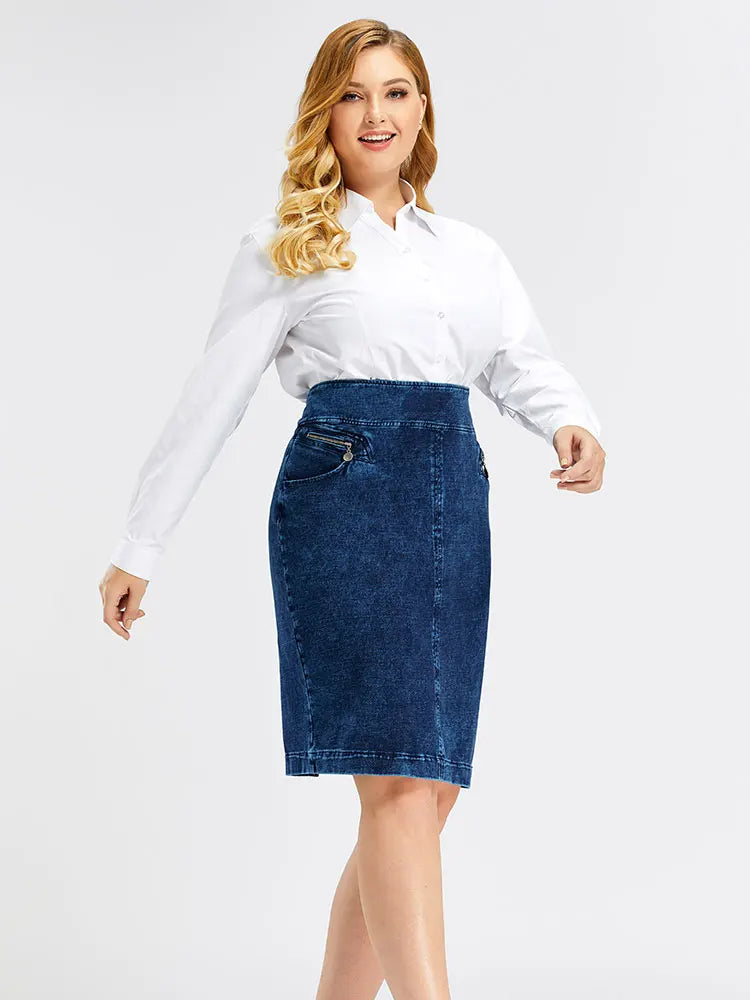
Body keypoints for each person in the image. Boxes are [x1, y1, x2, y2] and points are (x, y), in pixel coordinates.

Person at [99, 19, 605, 999]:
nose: (377, 113)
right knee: (402, 782)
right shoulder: (287, 243)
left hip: (453, 503)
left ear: (423, 109)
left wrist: (570, 422)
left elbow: (516, 359)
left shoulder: (469, 251)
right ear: (324, 114)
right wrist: (140, 545)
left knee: (429, 789)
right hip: (348, 500)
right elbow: (214, 397)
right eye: (353, 93)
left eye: (396, 91)